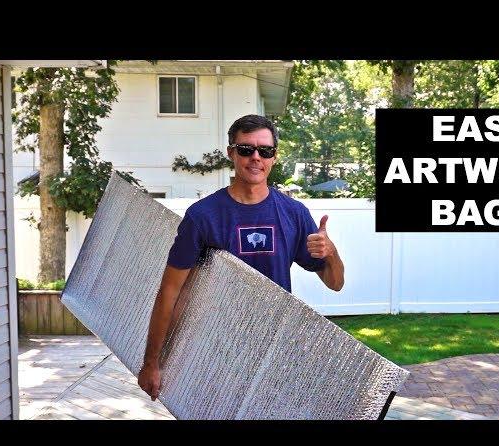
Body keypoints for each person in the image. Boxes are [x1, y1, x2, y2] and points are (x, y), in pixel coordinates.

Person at [138, 114, 345, 401]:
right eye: (246, 149)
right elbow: (170, 292)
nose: (256, 157)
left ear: (274, 157)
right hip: (212, 351)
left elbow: (335, 283)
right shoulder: (202, 217)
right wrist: (152, 362)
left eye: (265, 151)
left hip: (273, 351)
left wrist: (331, 253)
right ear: (231, 153)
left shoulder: (294, 214)